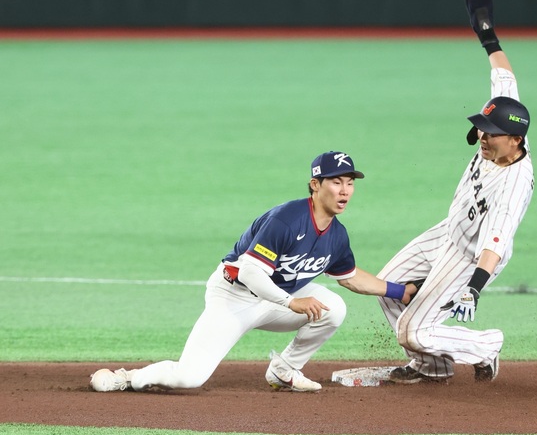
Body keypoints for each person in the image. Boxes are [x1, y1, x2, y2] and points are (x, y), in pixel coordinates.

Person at [90, 151, 417, 393]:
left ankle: (284, 370)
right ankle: (128, 377)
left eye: (349, 182)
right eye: (336, 182)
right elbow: (249, 273)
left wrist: (399, 291)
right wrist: (292, 304)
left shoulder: (337, 235)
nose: (345, 190)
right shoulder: (286, 220)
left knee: (333, 308)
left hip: (276, 300)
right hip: (233, 297)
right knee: (190, 377)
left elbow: (349, 277)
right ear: (315, 185)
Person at [377, 0, 534, 383]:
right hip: (447, 232)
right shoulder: (508, 128)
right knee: (389, 287)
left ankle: (486, 346)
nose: (483, 137)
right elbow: (505, 78)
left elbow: (495, 244)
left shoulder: (513, 184)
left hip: (471, 257)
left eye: (492, 133)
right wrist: (488, 36)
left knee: (411, 330)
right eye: (483, 128)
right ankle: (433, 367)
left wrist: (474, 289)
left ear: (515, 140)